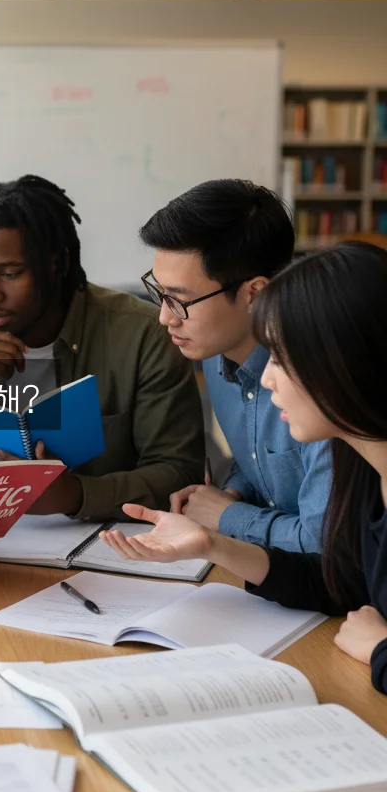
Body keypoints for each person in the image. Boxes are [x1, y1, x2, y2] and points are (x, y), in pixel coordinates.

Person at [100, 241, 387, 695]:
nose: (267, 378)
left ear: (344, 361)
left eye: (280, 358)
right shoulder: (364, 472)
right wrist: (214, 545)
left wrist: (380, 653)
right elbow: (344, 584)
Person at [0, 175, 204, 520]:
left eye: (10, 273)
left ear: (57, 264)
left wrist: (75, 495)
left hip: (109, 548)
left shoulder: (143, 336)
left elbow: (180, 473)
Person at [139, 179, 331, 553]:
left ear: (254, 293)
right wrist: (232, 492)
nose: (165, 318)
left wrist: (227, 516)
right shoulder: (215, 352)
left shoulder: (318, 380)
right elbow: (261, 461)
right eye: (158, 293)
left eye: (179, 300)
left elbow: (326, 541)